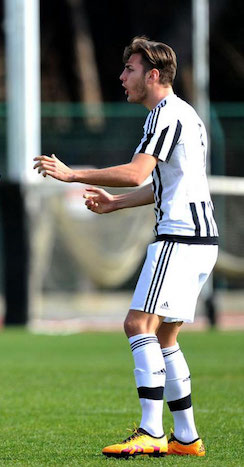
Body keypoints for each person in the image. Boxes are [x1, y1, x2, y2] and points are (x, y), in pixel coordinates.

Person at [34, 36, 215, 458]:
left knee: (137, 326)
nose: (121, 77)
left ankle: (152, 431)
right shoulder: (187, 116)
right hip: (200, 240)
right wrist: (114, 203)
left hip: (180, 237)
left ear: (153, 75)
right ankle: (186, 438)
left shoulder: (164, 115)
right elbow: (161, 183)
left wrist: (72, 173)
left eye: (129, 70)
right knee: (165, 338)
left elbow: (136, 173)